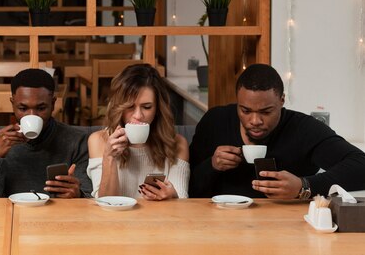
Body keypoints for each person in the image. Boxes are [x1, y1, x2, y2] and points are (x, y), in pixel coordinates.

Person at [189, 63, 365, 199]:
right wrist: (211, 166)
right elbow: (187, 188)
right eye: (245, 111)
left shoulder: (302, 129)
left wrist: (304, 186)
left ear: (282, 101)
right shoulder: (215, 121)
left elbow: (361, 165)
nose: (255, 121)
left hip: (287, 228)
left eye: (266, 112)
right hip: (219, 225)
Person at [0, 68, 92, 198]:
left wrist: (78, 195)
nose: (32, 115)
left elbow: (91, 200)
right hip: (13, 215)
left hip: (58, 216)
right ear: (13, 104)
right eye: (23, 108)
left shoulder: (77, 141)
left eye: (41, 108)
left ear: (53, 104)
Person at [87, 64, 189, 200]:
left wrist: (173, 197)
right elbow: (105, 204)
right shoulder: (98, 140)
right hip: (116, 220)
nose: (138, 115)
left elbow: (183, 203)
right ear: (119, 107)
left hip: (159, 219)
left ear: (158, 109)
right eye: (130, 107)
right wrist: (109, 157)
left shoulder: (177, 144)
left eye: (146, 107)